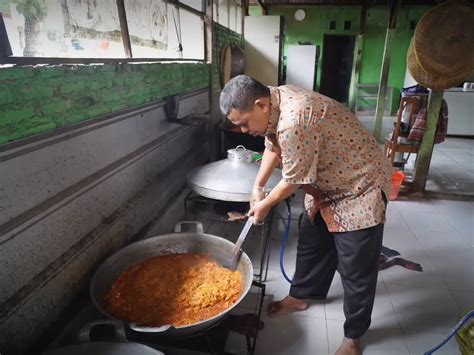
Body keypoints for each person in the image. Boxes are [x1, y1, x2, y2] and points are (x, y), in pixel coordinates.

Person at [219, 75, 392, 355]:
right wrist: (257, 187)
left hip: (359, 182)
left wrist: (266, 204)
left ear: (260, 105)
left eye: (243, 122)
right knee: (312, 242)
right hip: (325, 180)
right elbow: (272, 146)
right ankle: (300, 297)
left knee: (356, 265)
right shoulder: (274, 101)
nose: (241, 129)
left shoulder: (295, 118)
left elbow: (294, 179)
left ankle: (353, 336)